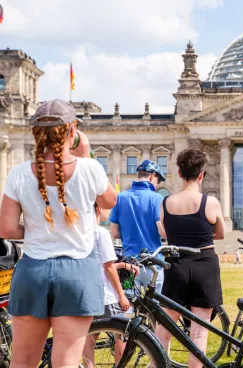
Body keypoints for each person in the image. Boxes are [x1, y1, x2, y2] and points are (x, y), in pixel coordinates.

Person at [0, 99, 117, 367]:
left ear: (35, 133)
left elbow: (5, 228)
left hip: (32, 271)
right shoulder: (89, 168)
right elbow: (110, 201)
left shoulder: (18, 173)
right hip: (77, 273)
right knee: (66, 362)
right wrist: (85, 154)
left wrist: (36, 229)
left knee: (22, 361)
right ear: (72, 131)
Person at [155, 148, 224, 368]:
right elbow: (220, 234)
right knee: (198, 335)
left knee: (163, 331)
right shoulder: (210, 202)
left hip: (176, 265)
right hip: (205, 265)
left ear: (179, 173)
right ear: (201, 174)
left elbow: (166, 233)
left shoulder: (166, 203)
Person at [83, 202, 139, 367]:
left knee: (90, 335)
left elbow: (99, 265)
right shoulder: (101, 233)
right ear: (99, 208)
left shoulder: (81, 233)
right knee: (121, 333)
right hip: (106, 294)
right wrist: (121, 295)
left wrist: (121, 265)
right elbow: (107, 267)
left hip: (87, 292)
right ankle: (118, 365)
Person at [109, 159, 167, 293]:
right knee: (156, 309)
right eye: (157, 181)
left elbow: (115, 234)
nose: (157, 184)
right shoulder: (156, 198)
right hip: (153, 263)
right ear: (152, 176)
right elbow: (162, 231)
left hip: (129, 263)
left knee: (128, 308)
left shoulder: (120, 197)